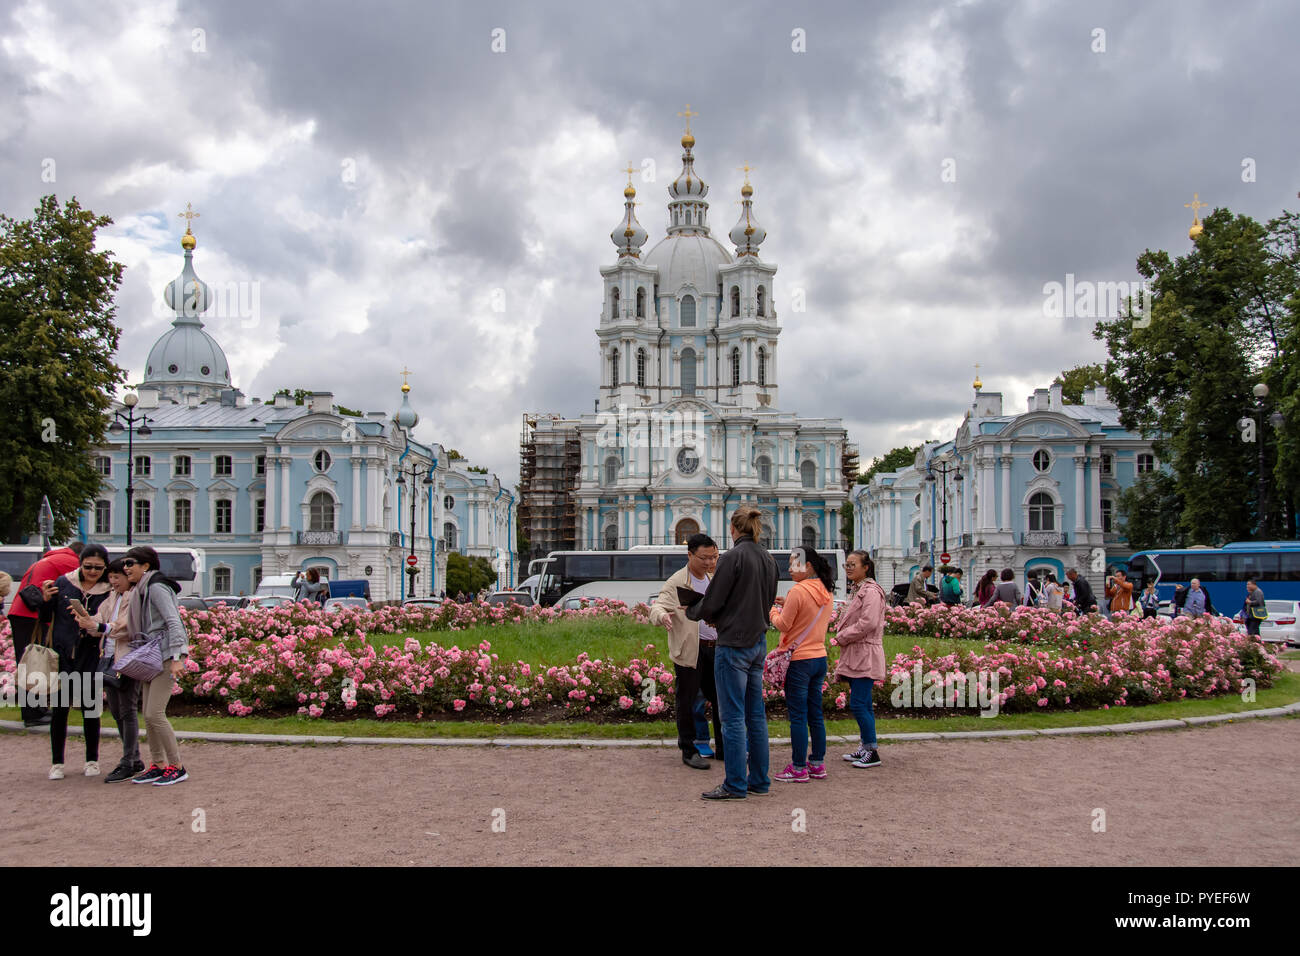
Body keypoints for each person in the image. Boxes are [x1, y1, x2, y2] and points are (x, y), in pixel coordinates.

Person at [686, 506, 778, 800]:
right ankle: (760, 780)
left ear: (733, 529)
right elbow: (765, 599)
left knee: (732, 718)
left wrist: (694, 611)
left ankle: (735, 784)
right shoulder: (768, 558)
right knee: (756, 716)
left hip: (733, 645)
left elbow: (713, 601)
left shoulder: (731, 557)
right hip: (758, 642)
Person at [34, 544, 111, 779]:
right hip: (63, 653)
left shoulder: (109, 589)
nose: (92, 572)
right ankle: (57, 762)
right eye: (87, 566)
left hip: (90, 653)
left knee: (90, 709)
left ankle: (92, 760)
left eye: (98, 568)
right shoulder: (64, 582)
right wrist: (46, 600)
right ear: (80, 564)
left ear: (105, 567)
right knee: (59, 709)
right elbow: (46, 618)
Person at [648, 533, 721, 771]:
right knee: (687, 702)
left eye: (713, 557)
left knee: (721, 700)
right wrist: (661, 616)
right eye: (704, 558)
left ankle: (723, 747)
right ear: (690, 555)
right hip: (690, 652)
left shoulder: (715, 578)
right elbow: (657, 606)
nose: (709, 563)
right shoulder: (677, 581)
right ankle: (689, 750)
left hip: (716, 649)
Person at [123, 546, 191, 786]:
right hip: (151, 655)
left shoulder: (156, 587)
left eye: (131, 563)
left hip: (163, 656)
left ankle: (177, 766)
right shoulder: (143, 589)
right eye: (125, 563)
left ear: (146, 566)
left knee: (155, 713)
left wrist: (177, 656)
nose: (126, 568)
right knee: (148, 715)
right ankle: (158, 765)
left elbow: (174, 620)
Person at [71, 558, 143, 782]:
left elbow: (126, 627)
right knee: (115, 709)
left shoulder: (134, 597)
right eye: (110, 578)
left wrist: (97, 626)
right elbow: (100, 622)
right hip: (110, 658)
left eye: (116, 577)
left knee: (127, 709)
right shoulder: (112, 597)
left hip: (128, 658)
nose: (113, 582)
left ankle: (129, 760)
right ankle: (134, 757)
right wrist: (86, 619)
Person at [769, 547, 835, 783]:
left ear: (808, 566)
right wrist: (787, 603)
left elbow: (784, 625)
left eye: (793, 564)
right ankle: (817, 763)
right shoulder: (825, 590)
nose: (789, 568)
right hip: (819, 656)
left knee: (798, 716)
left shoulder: (798, 590)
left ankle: (798, 767)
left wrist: (773, 611)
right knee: (815, 714)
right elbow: (810, 612)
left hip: (799, 660)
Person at [7, 541, 83, 727]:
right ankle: (33, 714)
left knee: (30, 662)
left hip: (21, 612)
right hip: (33, 615)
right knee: (34, 663)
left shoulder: (51, 559)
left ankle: (36, 710)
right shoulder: (70, 562)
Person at [833, 550, 887, 769]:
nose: (848, 568)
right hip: (858, 652)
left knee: (858, 703)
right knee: (862, 702)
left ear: (866, 567)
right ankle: (866, 746)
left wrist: (843, 636)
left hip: (865, 653)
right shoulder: (859, 590)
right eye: (846, 564)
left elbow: (869, 623)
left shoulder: (871, 591)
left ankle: (872, 751)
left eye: (852, 564)